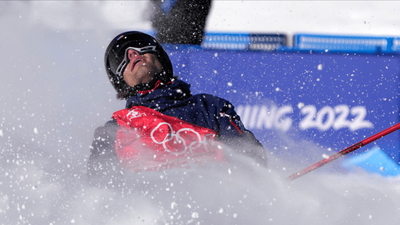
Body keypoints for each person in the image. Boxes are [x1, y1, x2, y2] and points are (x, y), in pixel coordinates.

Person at [87, 31, 267, 183]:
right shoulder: (114, 129)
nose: (133, 54)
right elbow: (99, 192)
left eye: (141, 46)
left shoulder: (209, 107)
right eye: (120, 58)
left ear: (160, 57)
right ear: (120, 81)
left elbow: (251, 160)